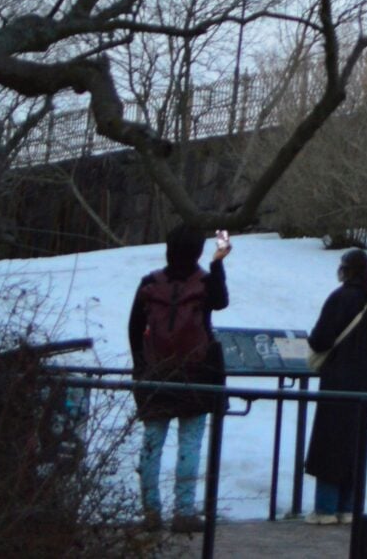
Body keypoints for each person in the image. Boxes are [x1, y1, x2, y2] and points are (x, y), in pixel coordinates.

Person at [128, 224, 231, 532]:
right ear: (198, 251)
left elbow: (134, 328)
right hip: (195, 373)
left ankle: (150, 511)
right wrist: (218, 261)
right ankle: (184, 511)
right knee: (190, 443)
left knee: (152, 443)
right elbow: (222, 301)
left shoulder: (150, 283)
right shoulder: (204, 282)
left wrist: (141, 366)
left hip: (156, 372)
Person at [306, 249, 367, 555]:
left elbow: (321, 339)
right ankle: (349, 507)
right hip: (365, 388)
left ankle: (326, 509)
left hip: (337, 384)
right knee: (354, 446)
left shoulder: (340, 299)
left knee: (330, 445)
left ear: (345, 270)